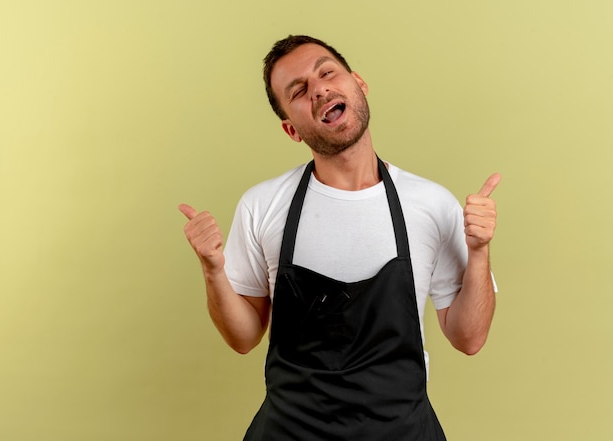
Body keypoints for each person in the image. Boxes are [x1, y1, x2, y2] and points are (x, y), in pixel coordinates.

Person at [179, 35, 500, 441]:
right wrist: (212, 271)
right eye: (298, 91)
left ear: (358, 84)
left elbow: (469, 337)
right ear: (291, 129)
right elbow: (243, 338)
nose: (318, 89)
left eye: (326, 72)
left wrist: (480, 251)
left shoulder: (431, 203)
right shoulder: (262, 205)